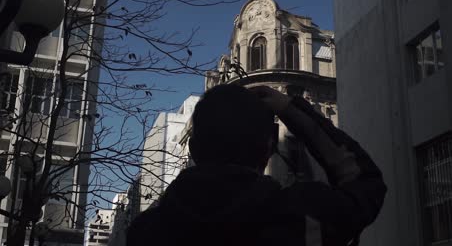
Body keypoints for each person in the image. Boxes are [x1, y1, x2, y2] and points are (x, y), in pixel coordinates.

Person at [127, 84, 386, 246]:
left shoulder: (146, 232)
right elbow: (365, 183)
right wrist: (291, 109)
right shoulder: (303, 216)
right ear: (269, 146)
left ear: (193, 150)